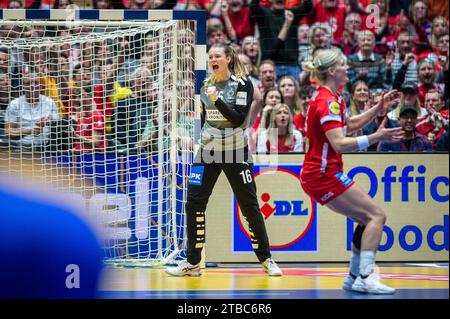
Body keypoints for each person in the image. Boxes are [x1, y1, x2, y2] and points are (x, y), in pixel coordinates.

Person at [165, 43, 282, 277]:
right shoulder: (206, 85)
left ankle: (266, 259)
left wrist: (217, 100)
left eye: (217, 56)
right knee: (193, 204)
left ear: (228, 58)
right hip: (207, 151)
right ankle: (192, 263)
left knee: (249, 205)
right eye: (210, 56)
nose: (212, 59)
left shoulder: (242, 84)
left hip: (235, 151)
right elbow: (203, 116)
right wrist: (197, 139)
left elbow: (238, 119)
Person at [301, 49, 403, 294]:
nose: (348, 68)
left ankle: (354, 277)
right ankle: (367, 277)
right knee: (377, 216)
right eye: (343, 64)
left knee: (365, 219)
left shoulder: (335, 97)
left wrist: (377, 108)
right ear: (333, 71)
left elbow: (351, 124)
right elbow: (339, 143)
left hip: (322, 173)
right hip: (322, 174)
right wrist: (376, 136)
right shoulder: (326, 102)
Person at [5, 72, 59, 150]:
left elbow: (56, 125)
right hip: (20, 149)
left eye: (36, 83)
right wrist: (30, 130)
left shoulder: (49, 102)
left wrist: (48, 122)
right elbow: (8, 132)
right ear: (23, 86)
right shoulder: (14, 104)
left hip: (46, 148)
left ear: (41, 86)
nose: (32, 86)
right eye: (28, 83)